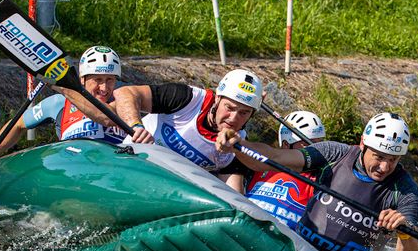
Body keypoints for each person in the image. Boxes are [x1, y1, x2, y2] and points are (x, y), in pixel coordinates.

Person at [216, 111, 418, 251]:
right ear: (362, 144)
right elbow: (276, 158)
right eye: (378, 157)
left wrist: (404, 233)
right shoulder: (335, 154)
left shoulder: (406, 192)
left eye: (393, 160)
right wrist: (240, 145)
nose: (384, 167)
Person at [61, 67, 265, 182]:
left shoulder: (237, 147)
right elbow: (125, 92)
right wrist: (136, 125)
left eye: (244, 113)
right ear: (217, 100)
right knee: (106, 116)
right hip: (131, 167)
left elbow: (234, 199)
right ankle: (60, 83)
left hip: (167, 192)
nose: (234, 117)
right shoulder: (187, 98)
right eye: (229, 107)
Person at [0, 46, 125, 182]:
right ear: (82, 79)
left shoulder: (123, 102)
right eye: (98, 80)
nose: (104, 88)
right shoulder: (58, 103)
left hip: (114, 172)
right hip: (75, 174)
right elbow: (18, 124)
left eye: (110, 80)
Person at [241, 109, 326, 229]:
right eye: (309, 145)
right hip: (245, 227)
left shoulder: (320, 179)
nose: (315, 152)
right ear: (286, 144)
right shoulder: (261, 164)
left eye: (320, 144)